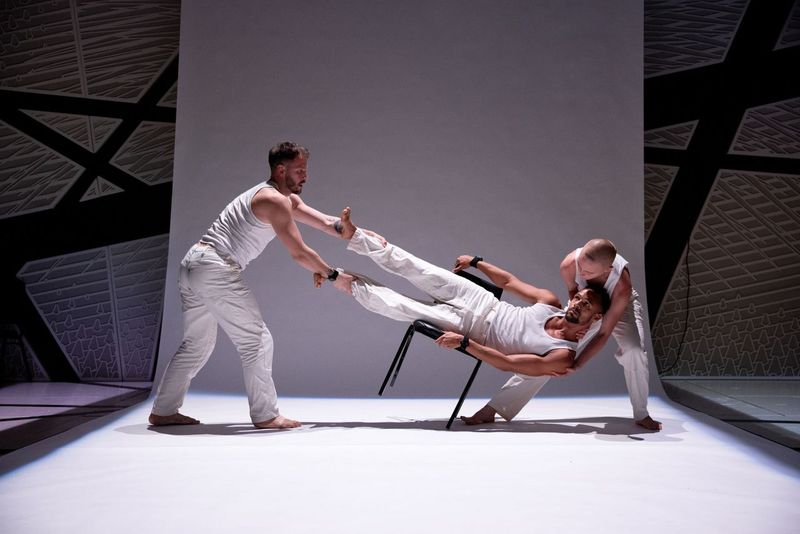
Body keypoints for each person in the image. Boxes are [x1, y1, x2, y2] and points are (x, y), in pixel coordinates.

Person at [149, 142, 382, 429]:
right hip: (215, 268)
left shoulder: (285, 199)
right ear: (281, 169)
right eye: (299, 170)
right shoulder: (273, 200)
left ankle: (163, 410)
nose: (305, 176)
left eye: (305, 170)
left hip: (195, 265)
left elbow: (325, 223)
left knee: (197, 344)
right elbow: (299, 252)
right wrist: (334, 275)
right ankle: (266, 415)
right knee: (256, 340)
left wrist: (358, 233)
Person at [319, 209, 610, 378]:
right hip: (481, 301)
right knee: (415, 267)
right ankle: (354, 235)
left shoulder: (562, 355)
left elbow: (506, 363)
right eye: (579, 297)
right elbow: (508, 281)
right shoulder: (550, 301)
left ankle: (338, 277)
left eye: (586, 305)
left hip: (470, 330)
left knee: (399, 307)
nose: (578, 303)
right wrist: (476, 262)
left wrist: (465, 343)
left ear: (594, 317)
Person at [460, 239, 662, 431]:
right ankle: (492, 410)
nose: (581, 272)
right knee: (552, 355)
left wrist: (577, 364)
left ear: (607, 270)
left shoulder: (621, 286)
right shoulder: (569, 264)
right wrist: (573, 331)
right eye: (580, 266)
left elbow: (603, 333)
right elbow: (575, 296)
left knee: (634, 350)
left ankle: (641, 413)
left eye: (588, 271)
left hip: (620, 307)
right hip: (587, 305)